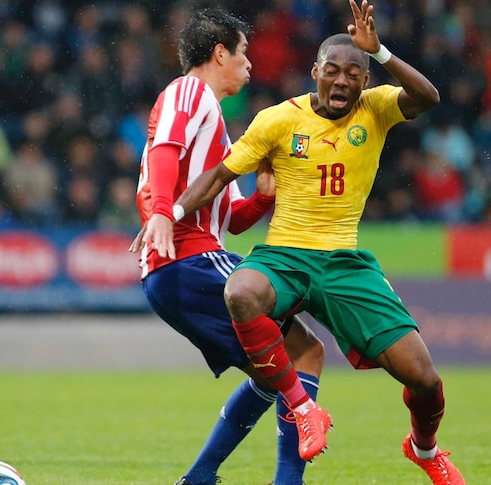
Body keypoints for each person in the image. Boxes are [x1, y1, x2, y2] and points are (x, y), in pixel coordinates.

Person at [135, 1, 466, 483]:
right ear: (315, 72)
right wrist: (169, 213)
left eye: (354, 73)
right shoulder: (270, 119)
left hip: (344, 264)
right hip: (284, 256)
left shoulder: (375, 109)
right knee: (244, 295)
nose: (341, 81)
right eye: (331, 71)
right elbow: (213, 176)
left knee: (424, 379)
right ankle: (291, 435)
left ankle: (424, 448)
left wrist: (383, 51)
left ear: (365, 81)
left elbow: (429, 96)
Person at [131, 9, 331, 485]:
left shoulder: (217, 128)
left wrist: (262, 196)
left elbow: (231, 221)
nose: (249, 64)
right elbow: (165, 153)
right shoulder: (189, 91)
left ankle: (200, 477)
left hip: (181, 265)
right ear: (219, 52)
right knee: (304, 351)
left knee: (273, 370)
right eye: (243, 53)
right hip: (187, 259)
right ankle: (290, 474)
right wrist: (162, 210)